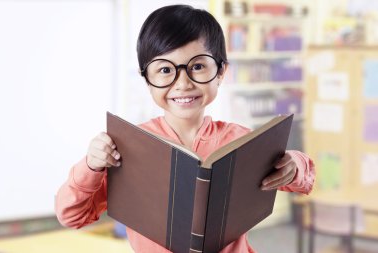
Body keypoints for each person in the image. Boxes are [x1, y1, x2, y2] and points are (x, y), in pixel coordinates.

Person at [55, 4, 315, 253]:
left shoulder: (241, 140)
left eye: (198, 67)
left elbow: (305, 180)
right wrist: (91, 165)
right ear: (147, 79)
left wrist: (294, 164)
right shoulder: (127, 147)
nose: (183, 83)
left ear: (221, 71)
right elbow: (71, 215)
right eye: (166, 70)